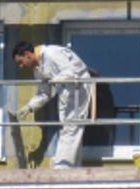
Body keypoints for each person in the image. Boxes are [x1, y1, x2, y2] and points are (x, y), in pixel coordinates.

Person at [12, 41, 93, 169]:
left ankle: (62, 168)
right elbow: (45, 93)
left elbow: (72, 72)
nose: (21, 66)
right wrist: (30, 106)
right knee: (71, 129)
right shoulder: (37, 70)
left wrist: (55, 80)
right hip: (66, 93)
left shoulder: (52, 53)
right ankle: (73, 168)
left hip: (79, 88)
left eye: (20, 62)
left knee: (70, 128)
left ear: (27, 54)